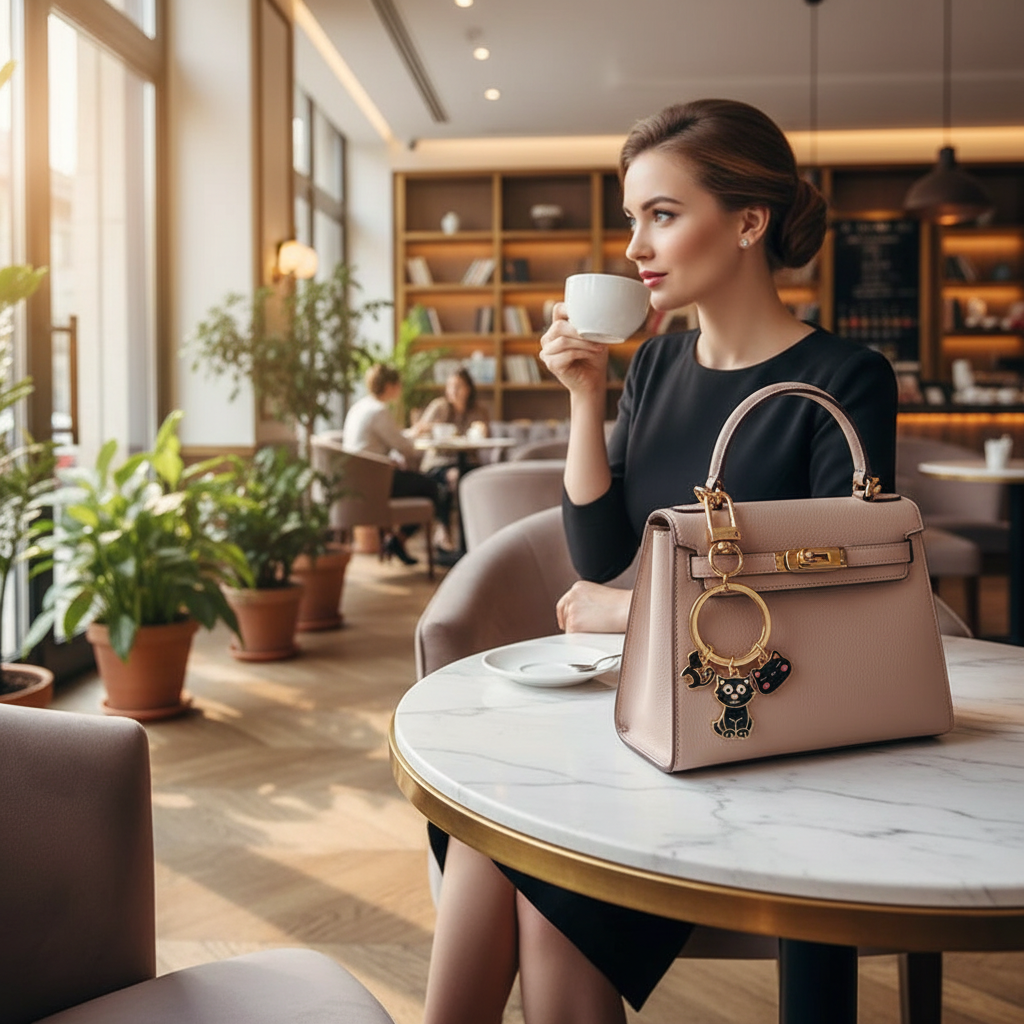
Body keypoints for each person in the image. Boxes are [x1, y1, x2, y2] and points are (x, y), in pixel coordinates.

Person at [421, 98, 898, 1023]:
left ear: (749, 222)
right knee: (495, 821)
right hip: (654, 708)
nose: (635, 246)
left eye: (662, 215)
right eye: (632, 217)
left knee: (540, 870)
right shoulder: (656, 366)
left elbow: (842, 604)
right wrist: (585, 397)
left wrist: (637, 610)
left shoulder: (844, 380)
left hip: (761, 726)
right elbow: (600, 554)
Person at [342, 363, 441, 566]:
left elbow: (385, 442)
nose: (400, 389)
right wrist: (415, 435)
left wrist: (407, 438)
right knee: (433, 487)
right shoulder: (379, 411)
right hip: (375, 483)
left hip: (354, 480)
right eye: (398, 385)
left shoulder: (359, 407)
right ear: (389, 386)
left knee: (418, 481)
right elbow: (405, 447)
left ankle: (396, 540)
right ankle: (399, 539)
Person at [411, 368, 490, 551]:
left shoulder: (478, 411)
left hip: (469, 462)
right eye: (450, 386)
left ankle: (472, 537)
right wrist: (429, 428)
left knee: (473, 478)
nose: (453, 391)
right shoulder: (439, 407)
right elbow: (417, 433)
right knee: (453, 478)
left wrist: (483, 430)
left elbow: (484, 439)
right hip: (438, 463)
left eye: (458, 386)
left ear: (468, 389)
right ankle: (444, 532)